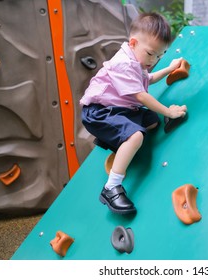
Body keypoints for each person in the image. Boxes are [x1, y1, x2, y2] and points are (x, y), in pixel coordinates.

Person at [80, 12, 187, 215]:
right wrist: (169, 112)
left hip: (120, 109)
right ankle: (111, 188)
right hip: (100, 113)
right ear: (133, 43)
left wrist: (169, 68)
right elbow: (141, 96)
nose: (154, 60)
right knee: (135, 135)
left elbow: (149, 78)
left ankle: (120, 143)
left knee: (152, 121)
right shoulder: (123, 63)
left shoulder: (136, 58)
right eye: (150, 54)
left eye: (160, 55)